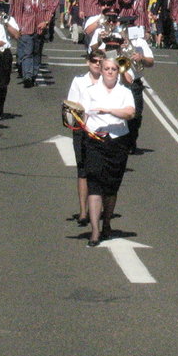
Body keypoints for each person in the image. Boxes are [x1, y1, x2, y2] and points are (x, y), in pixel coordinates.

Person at [82, 55, 135, 247]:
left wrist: (109, 110)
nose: (110, 72)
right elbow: (81, 114)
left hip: (117, 141)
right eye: (107, 69)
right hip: (95, 140)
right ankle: (95, 231)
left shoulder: (124, 92)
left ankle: (107, 223)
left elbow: (130, 112)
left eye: (113, 69)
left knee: (111, 186)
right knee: (94, 183)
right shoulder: (90, 91)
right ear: (101, 70)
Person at [67, 50, 104, 227]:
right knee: (83, 170)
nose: (97, 64)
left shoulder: (109, 82)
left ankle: (96, 208)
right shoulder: (79, 81)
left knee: (99, 170)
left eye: (100, 61)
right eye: (94, 61)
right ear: (88, 62)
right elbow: (72, 106)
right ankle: (83, 212)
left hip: (102, 130)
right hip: (82, 129)